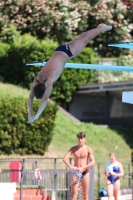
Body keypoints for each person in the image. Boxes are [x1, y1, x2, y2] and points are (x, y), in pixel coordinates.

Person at [28, 24, 112, 123]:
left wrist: (37, 115)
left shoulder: (49, 79)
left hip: (69, 53)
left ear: (45, 89)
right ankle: (100, 28)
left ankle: (103, 28)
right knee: (84, 36)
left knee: (86, 38)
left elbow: (45, 99)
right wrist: (30, 114)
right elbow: (30, 97)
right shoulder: (37, 79)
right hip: (60, 50)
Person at [63, 132, 95, 200]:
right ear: (77, 139)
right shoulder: (73, 149)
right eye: (79, 139)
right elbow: (65, 159)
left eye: (82, 139)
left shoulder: (88, 149)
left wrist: (84, 168)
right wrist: (71, 166)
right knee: (74, 193)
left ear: (84, 139)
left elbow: (93, 162)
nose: (80, 140)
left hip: (85, 173)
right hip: (76, 172)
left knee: (85, 194)